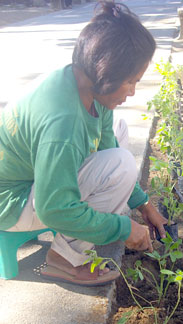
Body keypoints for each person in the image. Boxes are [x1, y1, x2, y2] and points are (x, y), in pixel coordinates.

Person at [0, 0, 167, 286]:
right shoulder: (62, 125)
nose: (132, 92)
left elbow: (107, 144)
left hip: (33, 179)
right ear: (107, 74)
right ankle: (64, 259)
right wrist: (123, 228)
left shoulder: (84, 84)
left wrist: (143, 204)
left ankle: (83, 234)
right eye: (130, 82)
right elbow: (55, 209)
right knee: (122, 165)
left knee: (118, 131)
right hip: (11, 203)